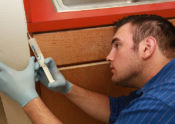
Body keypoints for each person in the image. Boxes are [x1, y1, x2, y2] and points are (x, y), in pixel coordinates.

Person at [0, 14, 175, 124]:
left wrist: (28, 99)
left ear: (147, 48)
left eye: (117, 45)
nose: (108, 57)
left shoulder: (161, 104)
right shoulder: (163, 84)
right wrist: (67, 88)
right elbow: (118, 110)